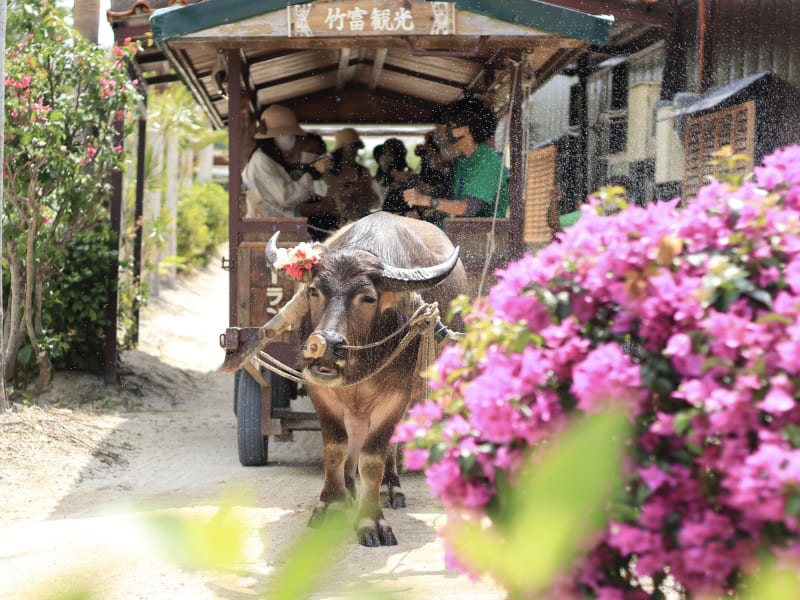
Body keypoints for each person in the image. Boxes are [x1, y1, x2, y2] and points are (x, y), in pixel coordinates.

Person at [403, 97, 509, 222]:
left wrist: (425, 200)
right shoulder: (464, 160)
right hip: (462, 232)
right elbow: (453, 205)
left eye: (450, 126)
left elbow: (470, 208)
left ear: (465, 130)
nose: (443, 133)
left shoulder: (487, 161)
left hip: (484, 237)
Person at [241, 105, 329, 219]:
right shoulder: (261, 160)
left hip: (275, 223)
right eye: (288, 135)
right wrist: (312, 172)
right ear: (275, 136)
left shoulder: (270, 158)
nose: (291, 138)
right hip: (265, 227)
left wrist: (314, 174)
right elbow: (287, 198)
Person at [324, 127, 381, 223]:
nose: (355, 150)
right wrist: (347, 193)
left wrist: (366, 192)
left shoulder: (363, 172)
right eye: (352, 146)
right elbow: (326, 205)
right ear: (341, 148)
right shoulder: (328, 174)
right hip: (335, 224)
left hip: (361, 223)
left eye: (357, 147)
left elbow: (376, 203)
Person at [294, 133, 341, 241]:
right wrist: (320, 207)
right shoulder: (293, 175)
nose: (313, 154)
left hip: (325, 231)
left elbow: (333, 204)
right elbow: (295, 206)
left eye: (317, 152)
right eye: (310, 150)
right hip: (302, 231)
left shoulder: (325, 176)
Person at [374, 137, 417, 216]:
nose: (384, 157)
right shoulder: (377, 181)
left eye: (389, 153)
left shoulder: (409, 178)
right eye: (383, 153)